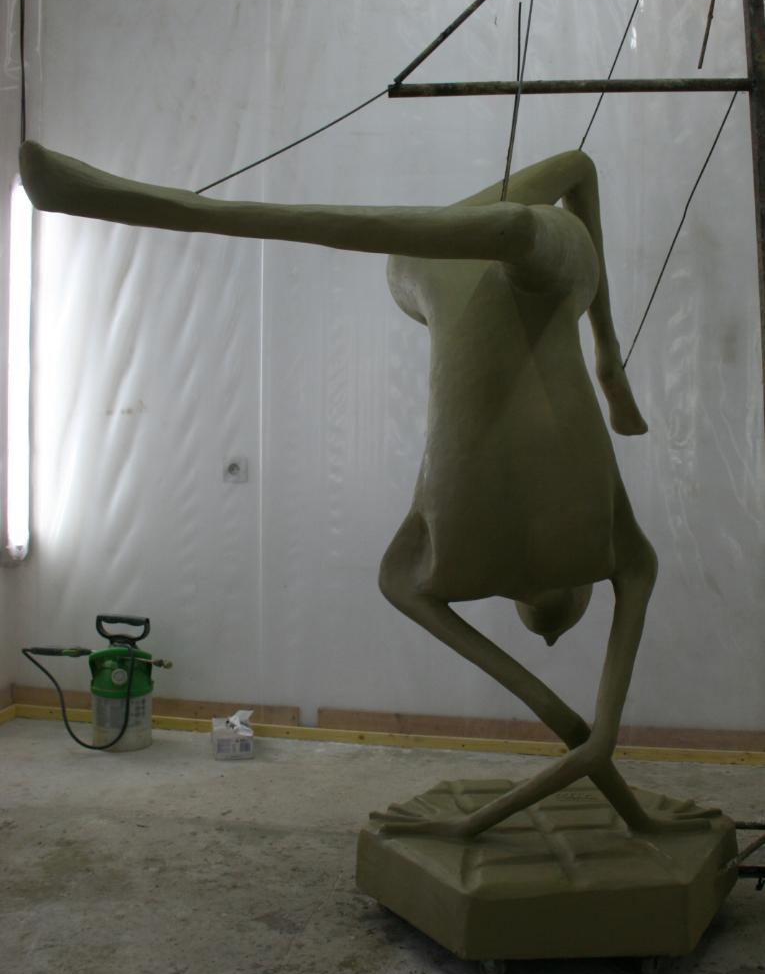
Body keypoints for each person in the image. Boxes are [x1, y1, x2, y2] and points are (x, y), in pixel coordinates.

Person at [20, 140, 715, 837]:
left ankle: (181, 209)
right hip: (451, 271)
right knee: (517, 230)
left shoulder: (609, 555)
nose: (541, 602)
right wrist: (609, 366)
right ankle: (180, 209)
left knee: (523, 224)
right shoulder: (597, 554)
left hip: (443, 270)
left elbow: (587, 744)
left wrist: (607, 354)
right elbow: (589, 748)